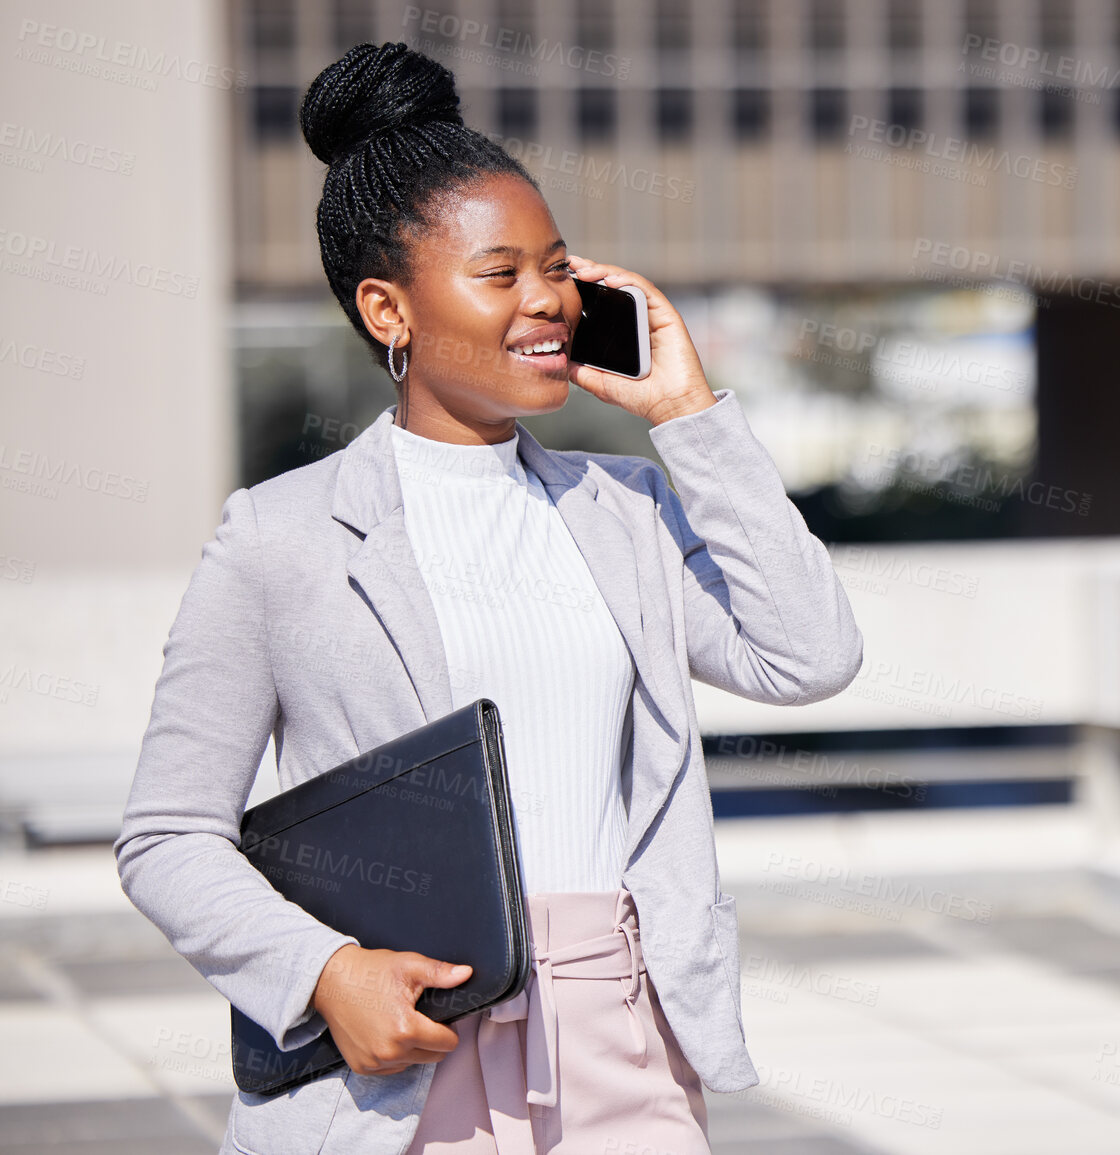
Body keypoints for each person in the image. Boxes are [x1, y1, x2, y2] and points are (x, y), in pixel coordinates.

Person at [112, 41, 865, 1155]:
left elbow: (809, 655)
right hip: (400, 1050)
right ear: (388, 310)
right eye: (501, 274)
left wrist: (690, 415)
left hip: (624, 1038)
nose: (548, 301)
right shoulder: (278, 539)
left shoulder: (627, 508)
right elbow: (167, 834)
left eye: (558, 267)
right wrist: (324, 976)